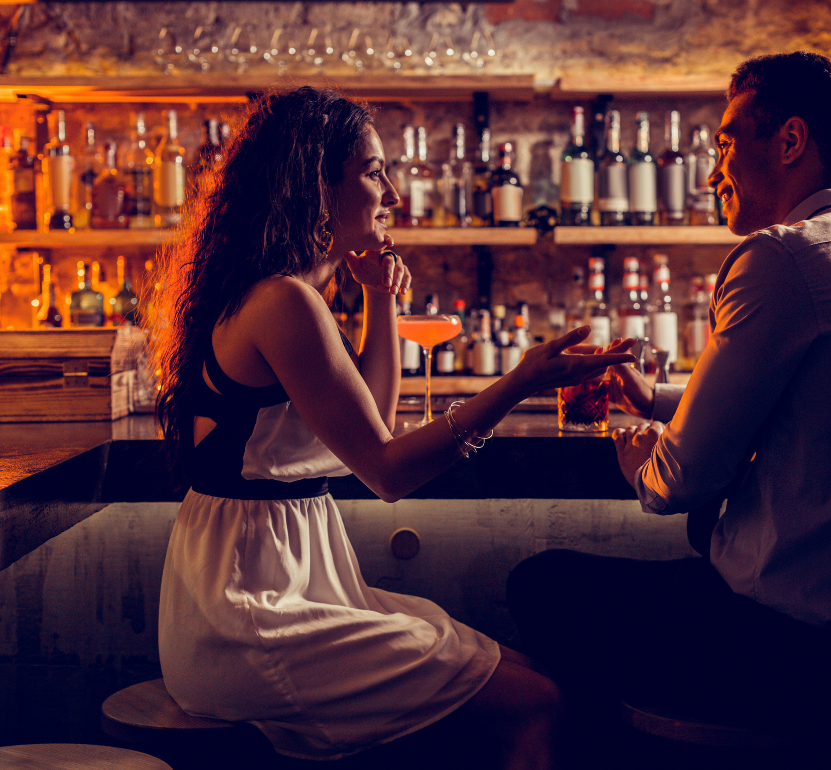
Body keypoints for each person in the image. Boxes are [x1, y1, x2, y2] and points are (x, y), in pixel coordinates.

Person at [149, 87, 633, 769]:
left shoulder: (287, 294)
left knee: (525, 674)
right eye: (375, 171)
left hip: (276, 589)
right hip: (252, 615)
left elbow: (371, 424)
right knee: (538, 700)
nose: (395, 195)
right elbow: (388, 471)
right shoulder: (283, 301)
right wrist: (519, 381)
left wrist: (377, 294)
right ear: (315, 182)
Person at [507, 52, 831, 750]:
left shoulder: (779, 257)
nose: (712, 172)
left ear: (791, 141)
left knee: (540, 585)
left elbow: (680, 482)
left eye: (728, 144)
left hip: (783, 650)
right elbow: (804, 398)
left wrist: (643, 460)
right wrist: (658, 398)